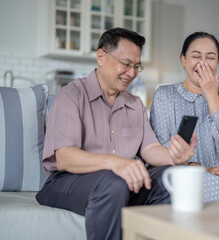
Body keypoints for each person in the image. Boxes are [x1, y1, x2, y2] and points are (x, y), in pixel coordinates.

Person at [36, 28, 197, 240]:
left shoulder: (134, 104)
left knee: (171, 177)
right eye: (126, 63)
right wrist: (115, 163)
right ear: (101, 57)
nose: (132, 73)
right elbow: (65, 157)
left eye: (137, 66)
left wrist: (174, 156)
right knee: (114, 182)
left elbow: (149, 149)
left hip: (117, 182)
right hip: (66, 181)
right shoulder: (72, 94)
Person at [150, 32, 219, 202]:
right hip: (182, 173)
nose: (203, 63)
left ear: (217, 63)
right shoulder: (164, 95)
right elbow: (161, 147)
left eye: (210, 57)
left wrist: (211, 94)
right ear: (183, 60)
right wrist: (199, 169)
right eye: (196, 56)